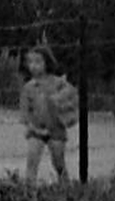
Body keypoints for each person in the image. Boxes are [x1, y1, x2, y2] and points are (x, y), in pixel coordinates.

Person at [18, 46, 78, 182]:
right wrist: (32, 127)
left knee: (58, 162)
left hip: (56, 129)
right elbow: (25, 113)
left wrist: (60, 106)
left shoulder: (59, 83)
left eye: (38, 62)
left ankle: (65, 187)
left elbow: (72, 97)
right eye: (30, 62)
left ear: (47, 63)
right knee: (32, 161)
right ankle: (29, 192)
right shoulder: (28, 88)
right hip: (36, 130)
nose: (33, 66)